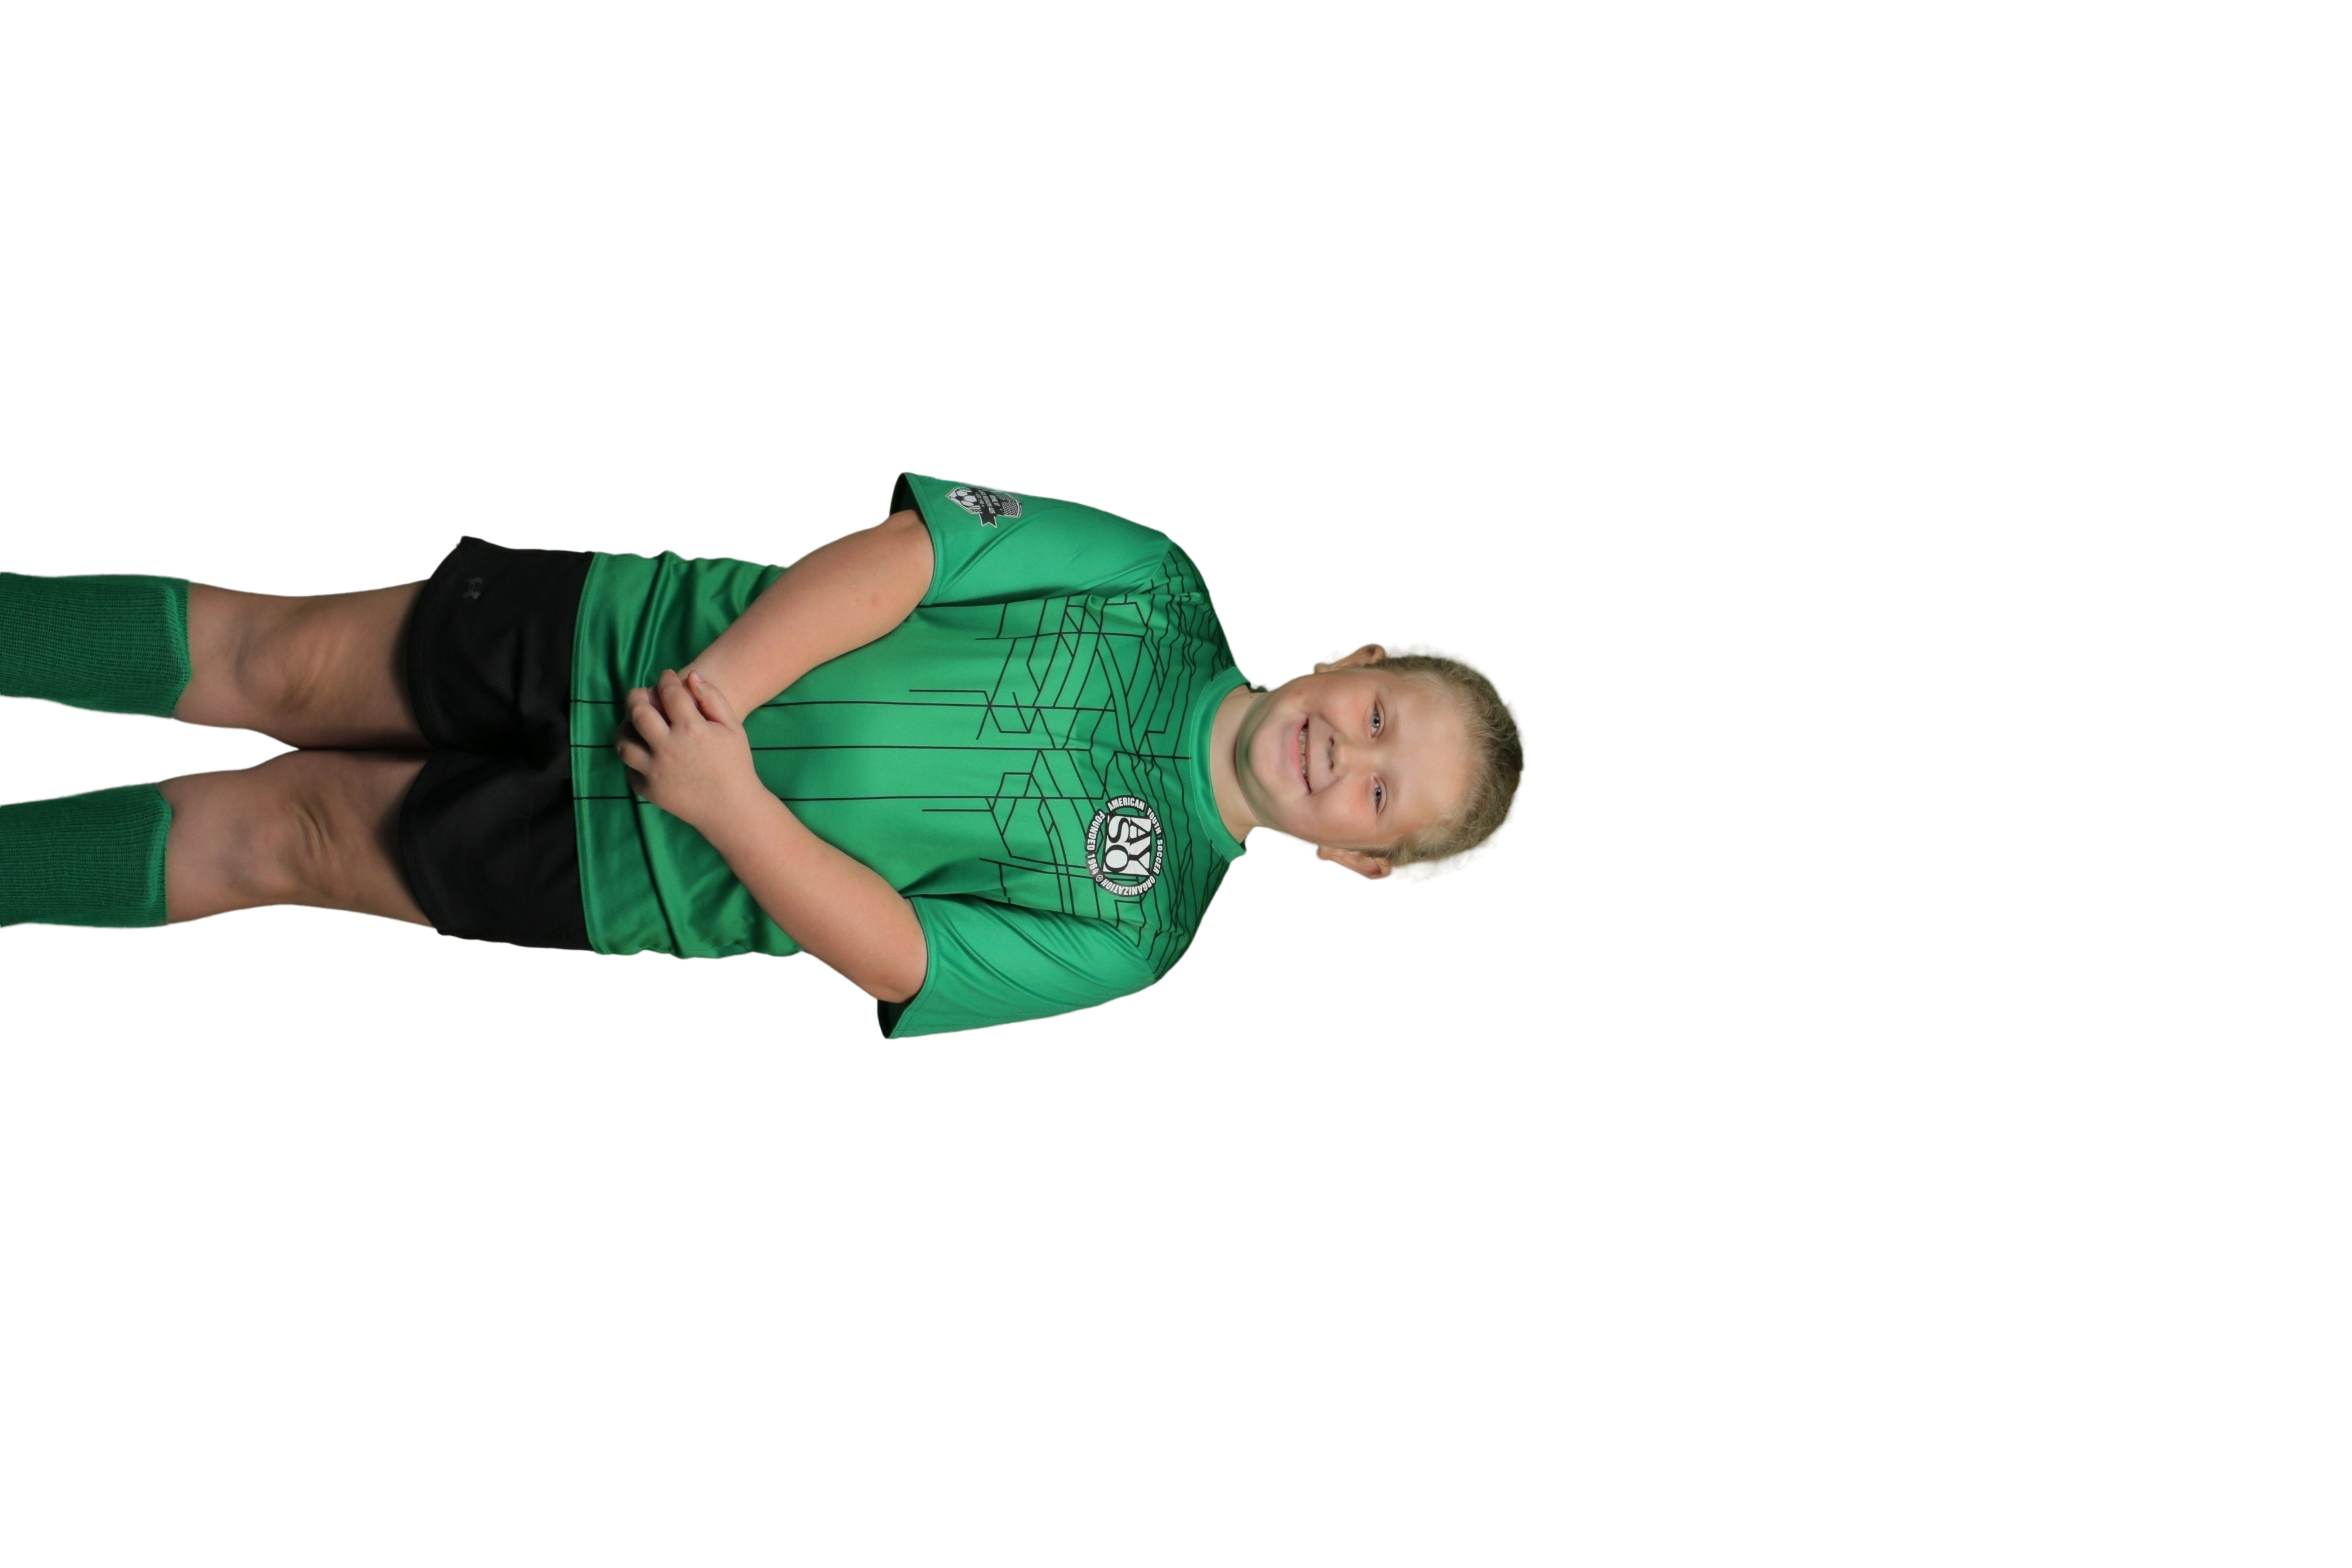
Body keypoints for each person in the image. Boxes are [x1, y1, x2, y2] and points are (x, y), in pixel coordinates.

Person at [1, 473, 1530, 1038]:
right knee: (274, 658)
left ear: (1354, 857)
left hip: (638, 872)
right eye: (1381, 712)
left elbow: (906, 956)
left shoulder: (1142, 932)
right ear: (1354, 659)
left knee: (286, 837)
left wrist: (725, 800)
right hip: (631, 632)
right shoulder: (1156, 582)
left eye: (1380, 793)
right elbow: (917, 555)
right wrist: (717, 693)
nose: (1347, 752)